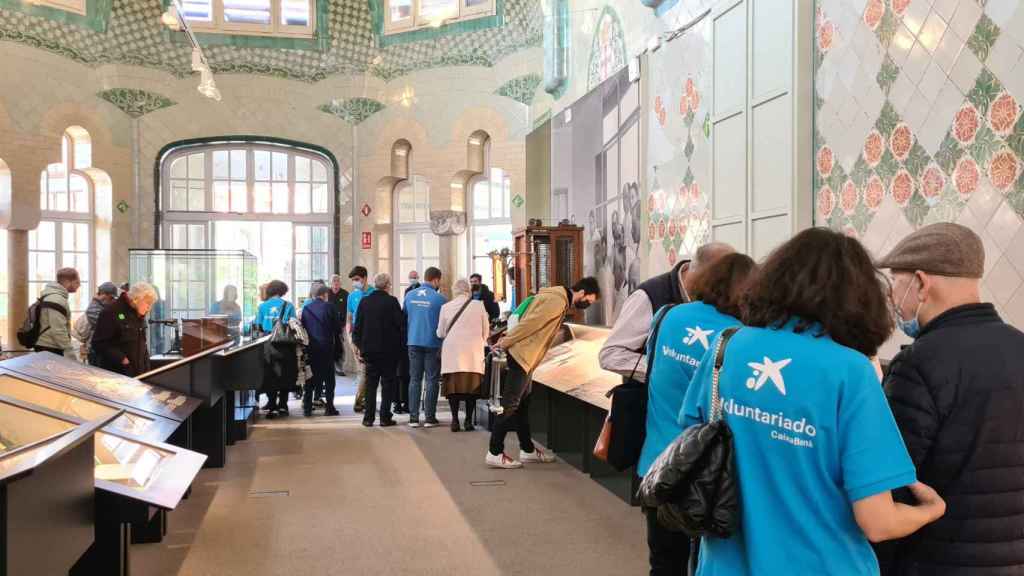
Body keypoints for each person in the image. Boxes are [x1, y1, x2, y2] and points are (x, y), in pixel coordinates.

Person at [678, 227, 945, 575]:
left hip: (723, 564)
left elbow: (690, 437)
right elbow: (878, 522)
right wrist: (931, 510)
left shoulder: (727, 346)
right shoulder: (850, 372)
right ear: (859, 299)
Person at [876, 223, 1024, 575]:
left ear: (921, 283)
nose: (894, 298)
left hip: (938, 560)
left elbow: (892, 484)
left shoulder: (919, 364)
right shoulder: (1020, 346)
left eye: (896, 282)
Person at [638, 253, 756, 575]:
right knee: (703, 560)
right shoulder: (739, 337)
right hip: (705, 475)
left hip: (657, 464)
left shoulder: (666, 316)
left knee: (663, 562)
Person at [487, 277, 601, 468]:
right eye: (589, 300)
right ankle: (495, 451)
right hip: (523, 355)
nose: (588, 305)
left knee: (522, 404)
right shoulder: (557, 301)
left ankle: (527, 449)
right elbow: (530, 324)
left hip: (526, 356)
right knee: (510, 405)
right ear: (582, 293)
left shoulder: (557, 297)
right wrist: (505, 341)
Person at [598, 242, 734, 383]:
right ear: (698, 274)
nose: (721, 291)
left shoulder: (720, 297)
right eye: (718, 283)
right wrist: (667, 370)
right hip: (648, 400)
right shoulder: (648, 296)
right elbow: (611, 354)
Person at [437, 278, 490, 432]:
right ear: (468, 291)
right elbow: (485, 331)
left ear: (455, 291)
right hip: (473, 354)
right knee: (471, 389)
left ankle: (454, 420)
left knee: (453, 389)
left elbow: (440, 332)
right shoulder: (479, 306)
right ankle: (468, 421)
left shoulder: (446, 307)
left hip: (452, 354)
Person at [352, 273, 403, 427]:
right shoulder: (392, 301)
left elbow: (357, 327)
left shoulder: (365, 302)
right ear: (388, 285)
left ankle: (368, 418)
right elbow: (400, 326)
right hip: (389, 351)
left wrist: (359, 346)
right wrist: (400, 348)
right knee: (388, 385)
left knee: (370, 385)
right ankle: (385, 417)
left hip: (370, 351)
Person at [404, 266, 447, 428]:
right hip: (432, 343)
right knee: (431, 380)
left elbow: (405, 316)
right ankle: (429, 418)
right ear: (436, 280)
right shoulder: (440, 299)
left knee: (414, 380)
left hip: (413, 341)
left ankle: (413, 418)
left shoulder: (409, 295)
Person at [92, 282, 158, 377]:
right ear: (136, 299)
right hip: (118, 375)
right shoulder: (111, 312)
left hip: (139, 374)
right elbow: (98, 344)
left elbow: (142, 343)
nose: (149, 307)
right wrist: (122, 359)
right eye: (148, 303)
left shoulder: (138, 313)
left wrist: (147, 369)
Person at [255, 280, 296, 417]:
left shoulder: (262, 307)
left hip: (268, 344)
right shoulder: (288, 305)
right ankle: (283, 405)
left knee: (270, 375)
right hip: (285, 344)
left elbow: (258, 326)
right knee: (285, 374)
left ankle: (272, 405)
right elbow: (294, 325)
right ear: (282, 291)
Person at [300, 285, 341, 417]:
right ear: (325, 295)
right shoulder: (330, 307)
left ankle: (307, 408)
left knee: (310, 378)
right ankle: (329, 408)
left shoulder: (306, 308)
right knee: (329, 379)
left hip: (311, 347)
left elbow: (303, 327)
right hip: (327, 347)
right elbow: (337, 328)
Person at [33, 267, 80, 357]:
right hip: (50, 347)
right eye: (77, 282)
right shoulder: (56, 299)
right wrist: (69, 352)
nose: (79, 285)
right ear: (67, 282)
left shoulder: (54, 296)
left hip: (48, 345)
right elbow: (58, 330)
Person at [346, 266, 373, 413]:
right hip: (356, 336)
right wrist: (350, 337)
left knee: (366, 371)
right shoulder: (352, 296)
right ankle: (360, 401)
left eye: (356, 280)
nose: (355, 283)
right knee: (363, 370)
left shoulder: (373, 293)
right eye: (353, 281)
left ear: (364, 278)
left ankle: (361, 400)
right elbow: (349, 318)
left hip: (370, 335)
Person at [73, 281, 118, 365]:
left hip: (99, 349)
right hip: (95, 351)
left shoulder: (102, 306)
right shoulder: (94, 309)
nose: (113, 301)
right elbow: (107, 326)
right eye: (111, 298)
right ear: (104, 295)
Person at [326, 275, 348, 376]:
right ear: (330, 283)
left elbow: (348, 311)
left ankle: (339, 367)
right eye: (334, 282)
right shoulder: (326, 293)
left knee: (340, 346)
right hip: (327, 325)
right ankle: (329, 366)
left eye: (338, 282)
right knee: (329, 346)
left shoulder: (345, 294)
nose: (336, 284)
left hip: (341, 325)